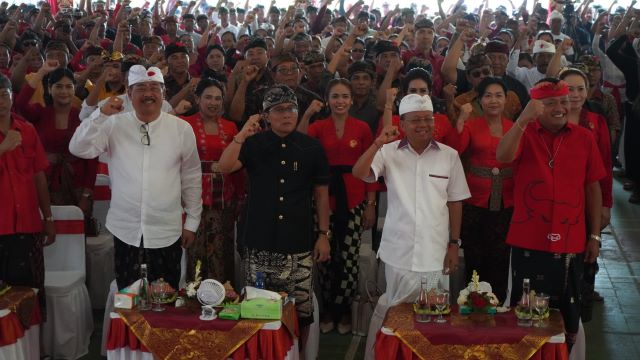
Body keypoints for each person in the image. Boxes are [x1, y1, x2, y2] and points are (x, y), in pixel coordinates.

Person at [353, 94, 470, 358]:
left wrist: (454, 244)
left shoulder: (449, 156)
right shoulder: (388, 151)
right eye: (415, 120)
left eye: (427, 119)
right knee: (397, 315)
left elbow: (455, 203)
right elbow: (360, 173)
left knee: (433, 316)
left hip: (435, 252)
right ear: (402, 124)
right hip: (399, 252)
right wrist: (377, 143)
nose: (423, 125)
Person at [218, 84, 330, 353]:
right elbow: (225, 166)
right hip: (259, 241)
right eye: (279, 110)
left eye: (291, 108)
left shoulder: (311, 148)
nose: (287, 114)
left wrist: (324, 235)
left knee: (300, 313)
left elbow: (321, 195)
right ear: (266, 115)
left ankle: (298, 355)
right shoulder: (254, 144)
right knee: (258, 309)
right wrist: (242, 134)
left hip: (298, 241)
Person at [69, 65, 202, 291]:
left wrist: (191, 221)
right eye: (140, 88)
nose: (148, 93)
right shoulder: (113, 123)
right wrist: (100, 115)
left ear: (163, 93)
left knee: (165, 297)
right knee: (129, 299)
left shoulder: (181, 129)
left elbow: (191, 176)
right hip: (125, 229)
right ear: (129, 94)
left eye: (154, 88)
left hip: (166, 230)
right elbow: (78, 148)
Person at [496, 78, 605, 351]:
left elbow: (593, 188)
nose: (559, 108)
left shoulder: (584, 138)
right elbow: (503, 156)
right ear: (536, 107)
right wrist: (523, 119)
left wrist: (594, 235)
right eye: (550, 103)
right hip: (528, 239)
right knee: (524, 314)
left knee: (568, 313)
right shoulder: (525, 132)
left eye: (563, 101)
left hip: (571, 239)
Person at [299, 79, 376, 335]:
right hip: (324, 198)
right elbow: (299, 145)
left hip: (354, 198)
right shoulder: (319, 127)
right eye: (335, 96)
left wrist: (370, 205)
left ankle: (343, 310)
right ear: (328, 100)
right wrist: (308, 113)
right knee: (325, 255)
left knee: (350, 257)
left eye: (345, 96)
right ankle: (329, 308)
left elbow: (371, 170)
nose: (340, 101)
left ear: (352, 100)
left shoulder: (363, 128)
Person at [449, 77, 515, 303]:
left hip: (507, 202)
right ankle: (473, 306)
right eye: (488, 96)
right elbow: (455, 150)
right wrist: (461, 120)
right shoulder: (471, 124)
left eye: (499, 95)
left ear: (506, 100)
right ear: (480, 100)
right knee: (475, 258)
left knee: (500, 258)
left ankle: (497, 309)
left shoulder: (515, 128)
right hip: (475, 202)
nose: (493, 100)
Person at [0, 74, 55, 318]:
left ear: (12, 96)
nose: (0, 100)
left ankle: (34, 350)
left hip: (28, 223)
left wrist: (49, 218)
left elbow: (39, 176)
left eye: (3, 94)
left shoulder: (27, 129)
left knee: (30, 293)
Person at [15, 62, 97, 217]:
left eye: (68, 87)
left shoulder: (83, 117)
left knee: (75, 237)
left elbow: (92, 159)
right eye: (58, 86)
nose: (64, 91)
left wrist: (87, 194)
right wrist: (41, 72)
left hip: (77, 187)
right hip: (44, 185)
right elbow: (20, 103)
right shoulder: (40, 113)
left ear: (74, 89)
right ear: (49, 89)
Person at [180, 78, 242, 282]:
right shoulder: (184, 125)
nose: (213, 102)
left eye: (218, 98)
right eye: (208, 97)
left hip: (225, 198)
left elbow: (239, 162)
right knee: (195, 249)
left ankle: (225, 300)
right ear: (197, 99)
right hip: (192, 196)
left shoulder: (231, 127)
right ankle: (194, 299)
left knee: (223, 249)